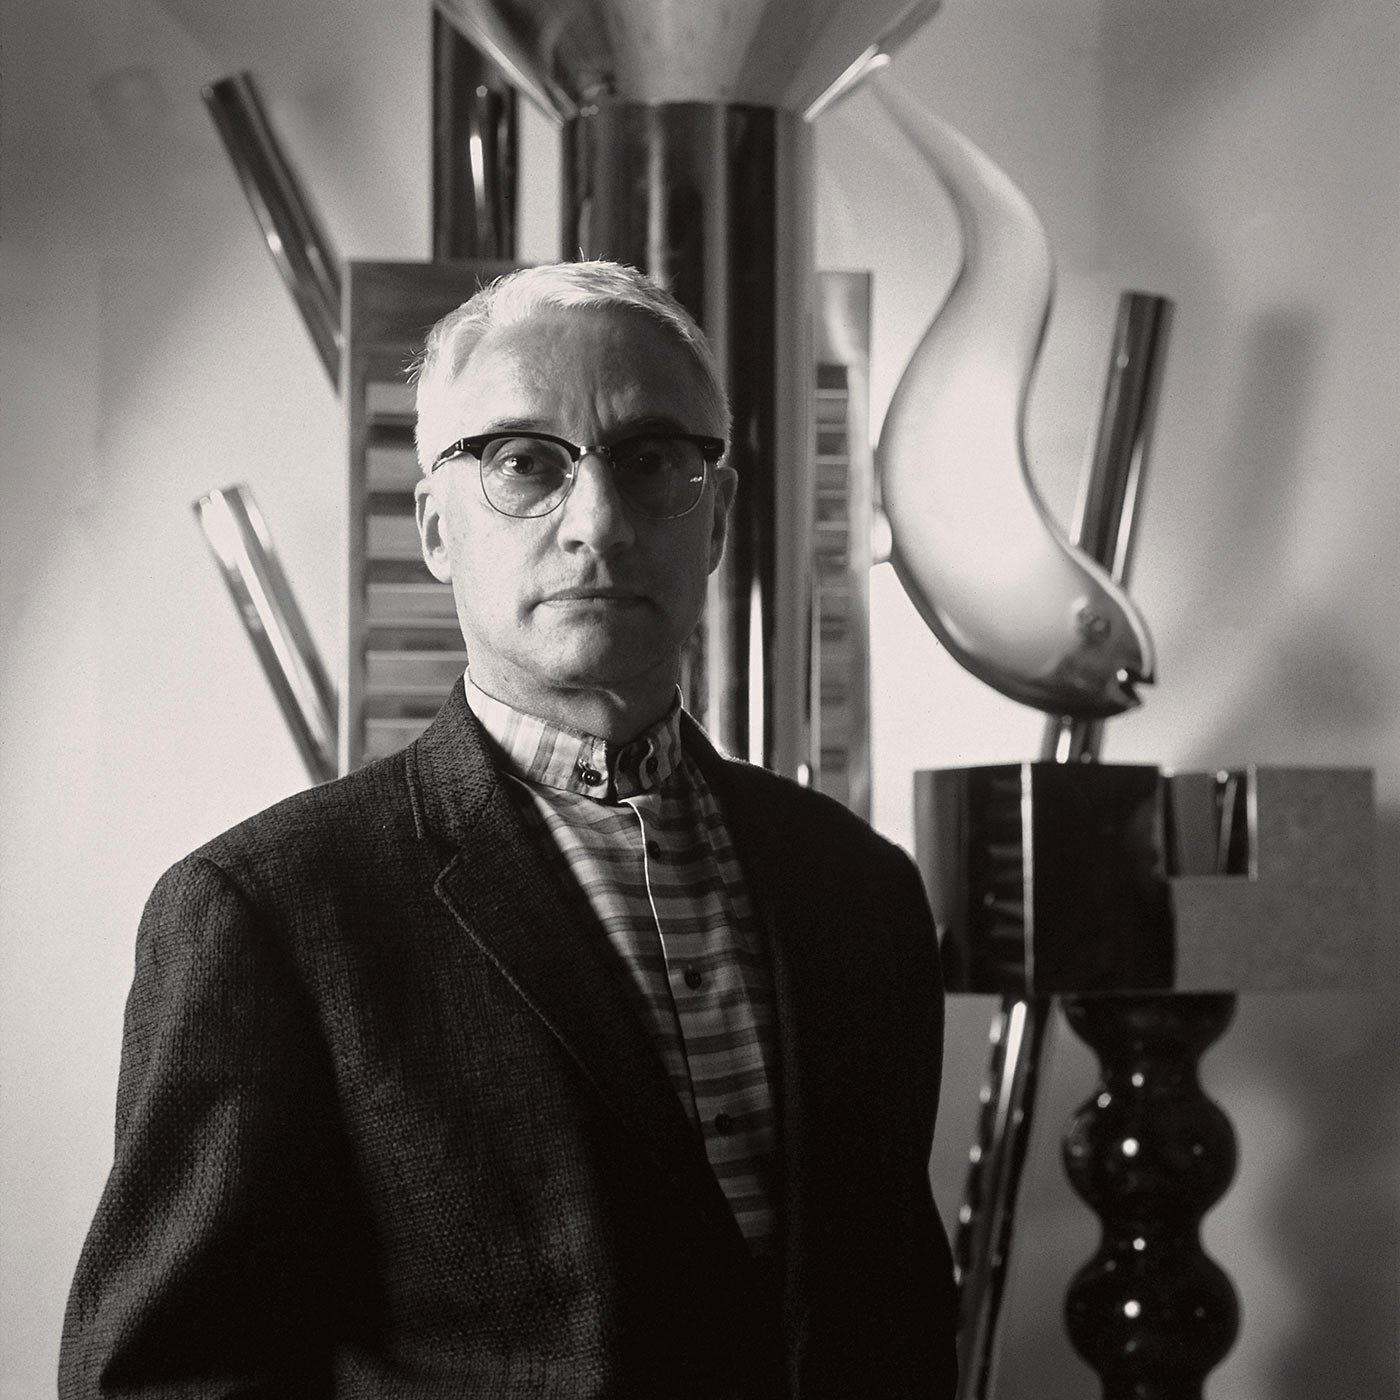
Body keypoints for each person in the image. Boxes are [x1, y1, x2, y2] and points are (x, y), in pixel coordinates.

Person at [60, 261, 959, 1398]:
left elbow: (899, 1313)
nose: (598, 522)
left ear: (718, 518)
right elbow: (167, 1379)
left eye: (652, 460)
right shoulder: (268, 913)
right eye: (526, 463)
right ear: (436, 527)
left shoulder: (861, 889)